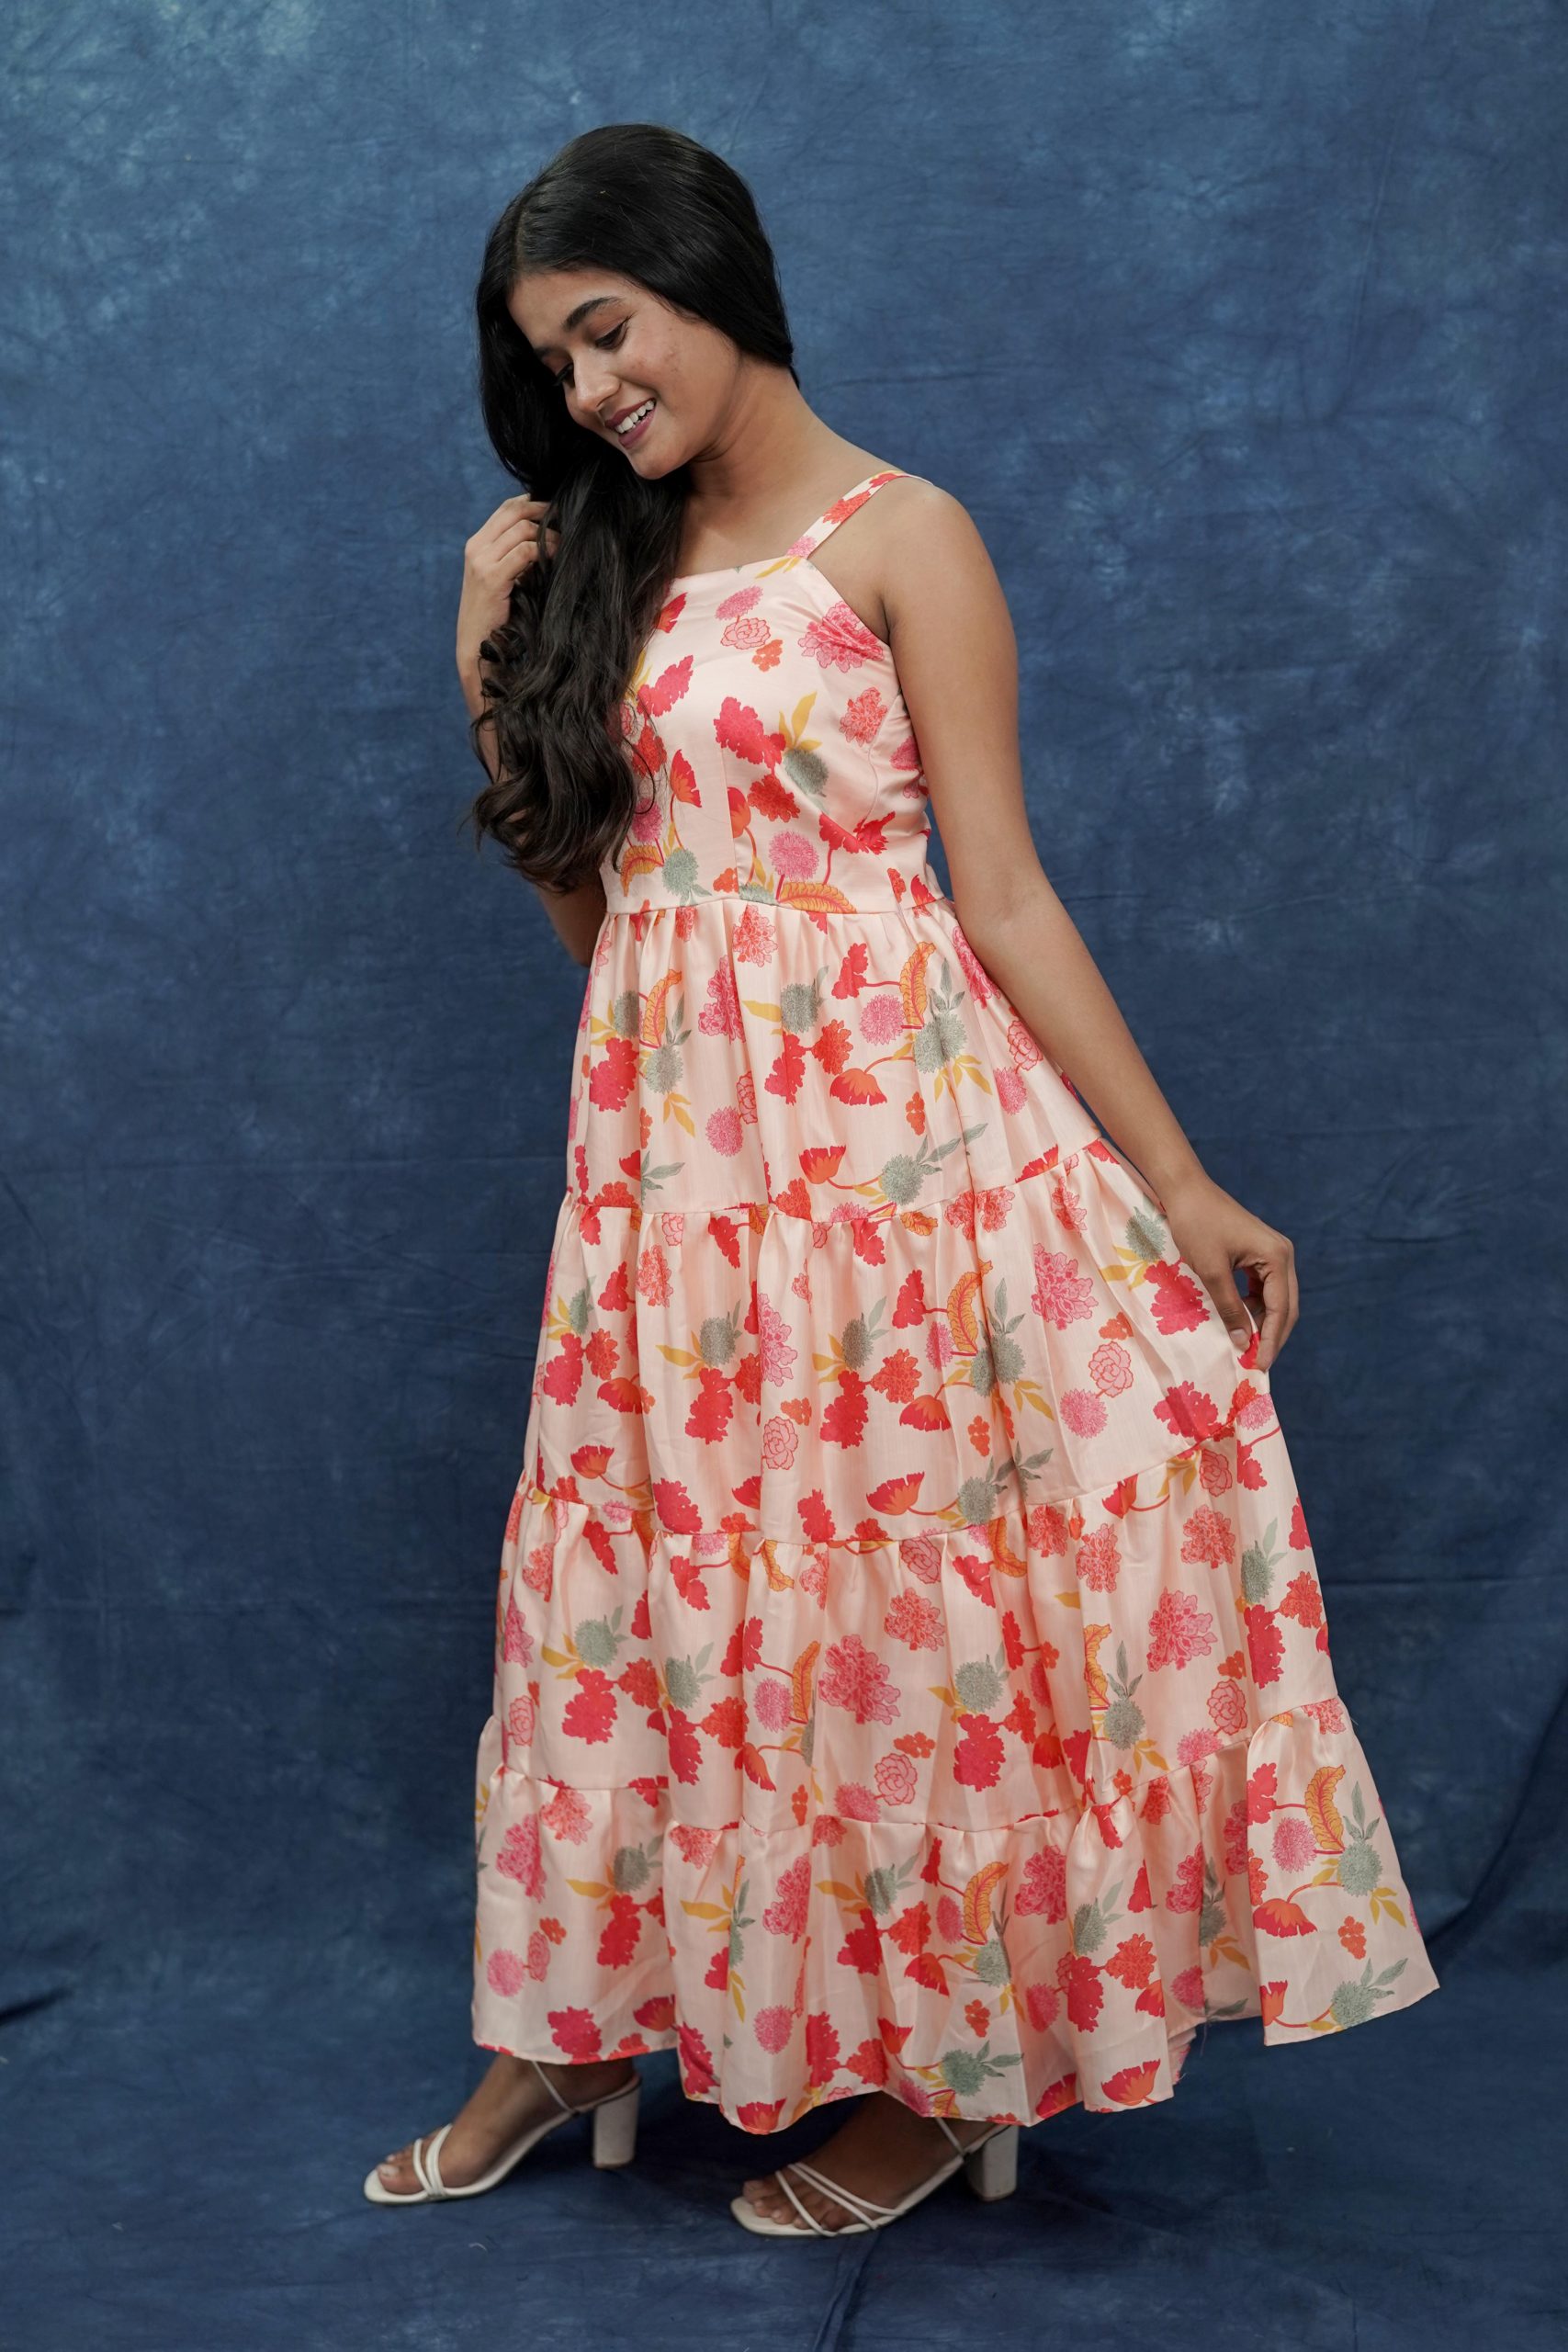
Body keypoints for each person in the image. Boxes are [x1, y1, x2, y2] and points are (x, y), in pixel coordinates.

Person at [365, 121, 1439, 2236]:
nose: (590, 388)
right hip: (671, 1185)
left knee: (894, 1615)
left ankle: (949, 2067)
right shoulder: (600, 566)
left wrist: (1178, 1180)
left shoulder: (900, 535)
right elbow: (606, 922)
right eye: (555, 362)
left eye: (609, 330)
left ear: (709, 274)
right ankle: (573, 2019)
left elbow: (1001, 891)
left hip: (890, 1183)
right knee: (646, 1602)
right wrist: (485, 656)